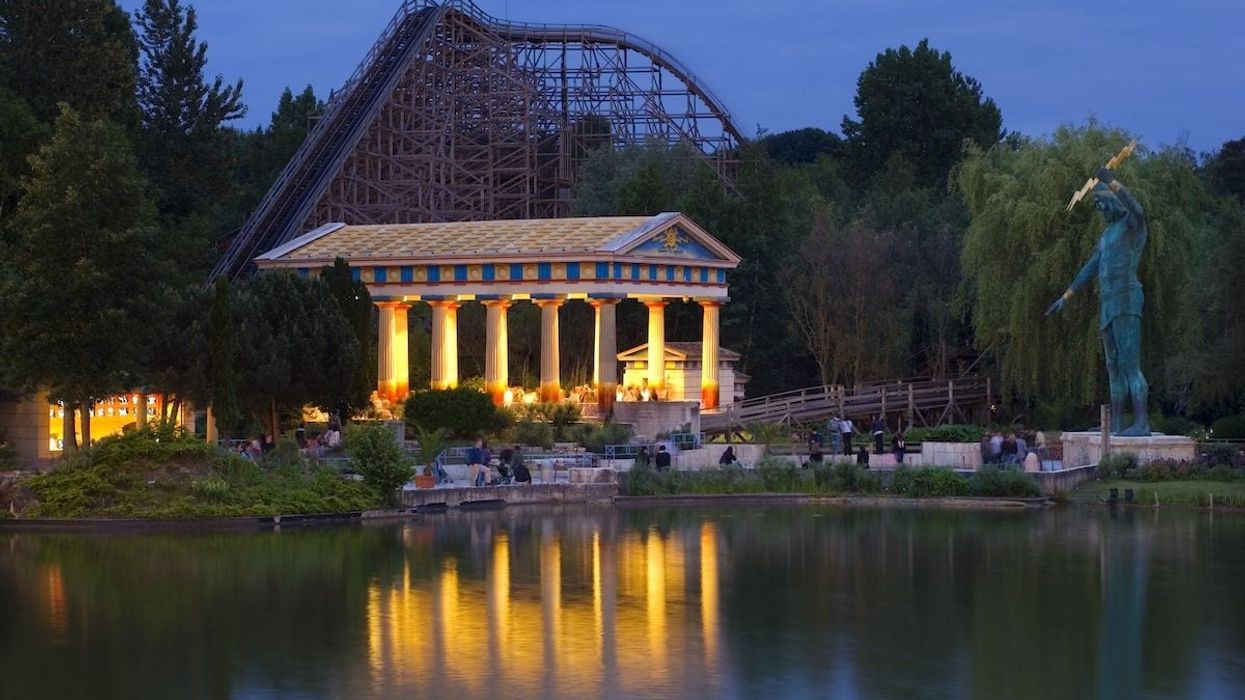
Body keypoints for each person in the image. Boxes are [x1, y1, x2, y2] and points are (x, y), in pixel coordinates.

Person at [1047, 166, 1151, 436]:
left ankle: (1141, 423)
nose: (1102, 210)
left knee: (1130, 364)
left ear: (1115, 202)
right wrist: (1066, 296)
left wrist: (1113, 182)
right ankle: (1115, 423)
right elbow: (1090, 268)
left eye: (1104, 204)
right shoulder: (1105, 236)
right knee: (1112, 366)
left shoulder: (1132, 224)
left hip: (1127, 298)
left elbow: (1138, 209)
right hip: (1107, 305)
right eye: (1099, 206)